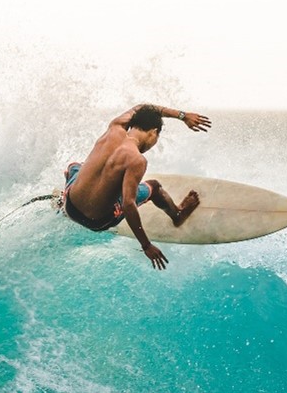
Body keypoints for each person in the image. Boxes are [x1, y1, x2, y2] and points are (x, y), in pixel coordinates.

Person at [62, 104, 212, 269]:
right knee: (153, 187)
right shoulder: (136, 160)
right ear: (153, 132)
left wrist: (183, 116)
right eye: (156, 138)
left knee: (75, 167)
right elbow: (128, 204)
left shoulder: (115, 126)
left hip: (70, 206)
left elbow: (141, 106)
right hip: (97, 221)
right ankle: (177, 214)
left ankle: (61, 201)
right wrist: (146, 245)